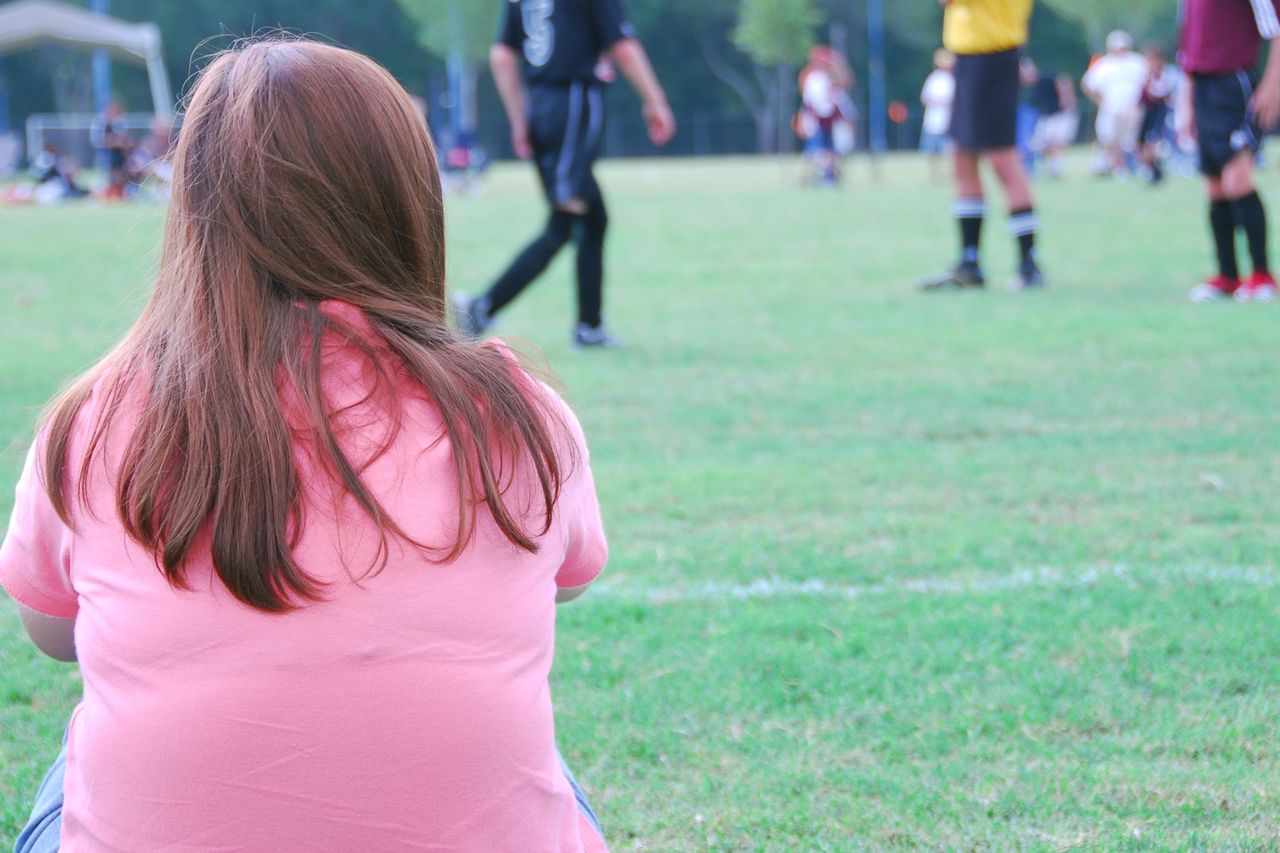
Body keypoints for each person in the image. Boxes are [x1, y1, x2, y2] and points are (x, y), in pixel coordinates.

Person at [3, 39, 612, 852]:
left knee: (80, 753)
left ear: (196, 217)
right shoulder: (518, 412)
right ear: (406, 202)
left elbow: (51, 632)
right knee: (539, 768)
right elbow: (562, 585)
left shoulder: (97, 418)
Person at [454, 0, 674, 349]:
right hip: (573, 104)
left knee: (593, 218)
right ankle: (481, 307)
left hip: (542, 106)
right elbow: (622, 46)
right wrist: (655, 100)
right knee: (564, 222)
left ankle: (589, 326)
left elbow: (502, 57)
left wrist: (518, 117)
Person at [919, 0, 1045, 291]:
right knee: (963, 157)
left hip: (989, 56)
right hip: (972, 57)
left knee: (1003, 158)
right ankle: (970, 262)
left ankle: (1028, 265)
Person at [1182, 0, 1280, 302]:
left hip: (1233, 83)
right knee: (1214, 185)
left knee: (1236, 180)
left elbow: (1276, 28)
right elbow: (1187, 41)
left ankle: (1262, 275)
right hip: (1202, 86)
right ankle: (1227, 276)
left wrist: (1272, 85)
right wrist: (1185, 102)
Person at [1082, 31, 1150, 178]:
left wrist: (1140, 103)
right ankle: (1119, 169)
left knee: (1135, 139)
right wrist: (1100, 101)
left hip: (1134, 108)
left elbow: (1147, 82)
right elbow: (1087, 84)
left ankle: (1142, 167)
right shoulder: (1103, 64)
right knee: (1111, 139)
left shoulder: (1137, 62)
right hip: (1111, 109)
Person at [798, 46, 848, 187]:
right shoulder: (813, 78)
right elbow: (811, 101)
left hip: (828, 119)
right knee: (814, 150)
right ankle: (808, 178)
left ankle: (828, 176)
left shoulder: (828, 77)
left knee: (828, 149)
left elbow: (842, 88)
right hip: (816, 119)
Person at [1137, 46, 1180, 184]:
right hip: (1148, 112)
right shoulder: (1144, 74)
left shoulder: (1166, 74)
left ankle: (1157, 170)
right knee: (1142, 143)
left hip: (1159, 112)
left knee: (1153, 141)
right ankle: (1154, 171)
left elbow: (1159, 94)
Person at [1029, 69, 1078, 179]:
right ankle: (1050, 168)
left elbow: (1063, 79)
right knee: (1041, 145)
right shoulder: (1031, 87)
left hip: (1058, 115)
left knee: (1056, 142)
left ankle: (1055, 169)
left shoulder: (1044, 77)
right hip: (1047, 117)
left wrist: (1064, 97)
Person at [920, 49, 956, 183]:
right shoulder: (933, 78)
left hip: (948, 121)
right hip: (932, 122)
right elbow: (925, 98)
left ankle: (949, 177)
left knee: (949, 152)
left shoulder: (953, 79)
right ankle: (934, 177)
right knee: (931, 152)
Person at [89, 101, 132, 199]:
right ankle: (100, 195)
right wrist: (114, 142)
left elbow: (125, 140)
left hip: (118, 155)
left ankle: (119, 194)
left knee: (120, 176)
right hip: (104, 154)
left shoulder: (120, 122)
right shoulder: (100, 122)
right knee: (105, 177)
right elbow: (99, 140)